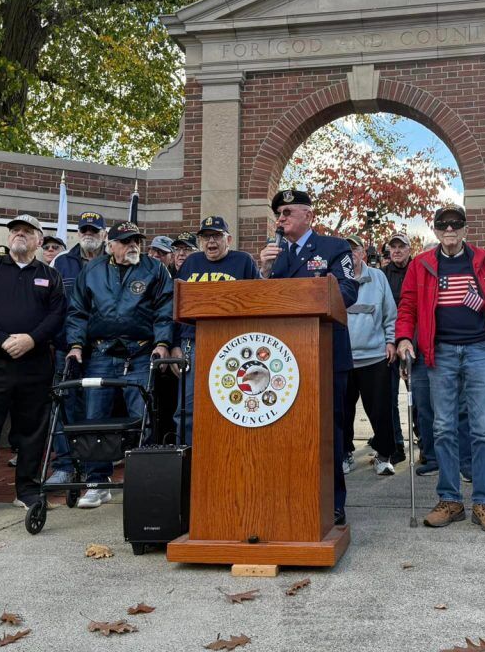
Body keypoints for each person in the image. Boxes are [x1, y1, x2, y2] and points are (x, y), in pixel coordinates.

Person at [395, 204, 485, 533]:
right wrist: (405, 338)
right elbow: (407, 305)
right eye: (443, 225)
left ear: (465, 228)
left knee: (482, 429)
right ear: (435, 230)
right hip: (441, 353)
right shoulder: (422, 264)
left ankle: (484, 502)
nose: (449, 230)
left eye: (456, 224)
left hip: (480, 350)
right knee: (443, 428)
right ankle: (450, 500)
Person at [258, 190, 358, 526]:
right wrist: (265, 271)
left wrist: (305, 300)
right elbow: (263, 302)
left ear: (308, 216)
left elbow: (347, 290)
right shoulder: (277, 255)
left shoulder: (333, 247)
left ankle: (331, 500)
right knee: (285, 428)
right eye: (278, 214)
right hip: (285, 357)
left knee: (328, 428)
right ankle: (288, 495)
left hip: (325, 350)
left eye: (287, 212)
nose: (280, 218)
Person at [0, 214, 66, 520]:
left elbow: (57, 315)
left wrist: (31, 339)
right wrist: (3, 339)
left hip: (34, 364)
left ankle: (28, 490)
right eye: (15, 230)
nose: (20, 234)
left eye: (27, 231)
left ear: (39, 240)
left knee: (33, 431)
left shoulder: (50, 275)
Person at [65, 221, 174, 508]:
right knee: (95, 418)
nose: (133, 246)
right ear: (110, 245)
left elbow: (165, 309)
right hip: (101, 353)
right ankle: (97, 482)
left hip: (140, 353)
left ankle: (144, 481)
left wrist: (162, 343)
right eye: (125, 241)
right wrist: (75, 346)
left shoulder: (154, 269)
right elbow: (77, 311)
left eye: (136, 240)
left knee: (143, 418)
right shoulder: (92, 270)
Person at [173, 215, 260, 444]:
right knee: (187, 408)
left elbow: (260, 300)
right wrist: (174, 345)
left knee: (231, 402)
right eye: (205, 237)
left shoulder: (243, 261)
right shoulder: (191, 263)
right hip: (193, 344)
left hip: (232, 345)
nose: (211, 241)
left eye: (216, 236)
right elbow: (176, 306)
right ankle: (188, 461)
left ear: (228, 239)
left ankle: (227, 454)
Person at [44, 211, 107, 486]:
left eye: (94, 230)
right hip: (66, 348)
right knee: (64, 406)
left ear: (104, 234)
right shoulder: (61, 262)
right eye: (85, 230)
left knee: (97, 410)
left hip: (103, 349)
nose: (89, 234)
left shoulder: (112, 260)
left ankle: (95, 472)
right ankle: (65, 465)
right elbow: (52, 305)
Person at [342, 235, 398, 476]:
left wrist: (391, 341)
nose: (350, 254)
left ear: (362, 253)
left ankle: (384, 456)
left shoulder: (378, 277)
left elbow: (390, 314)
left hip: (375, 356)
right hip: (341, 358)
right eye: (346, 250)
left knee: (381, 410)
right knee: (342, 411)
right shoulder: (331, 278)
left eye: (354, 250)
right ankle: (345, 454)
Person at [381, 232, 413, 465]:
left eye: (401, 246)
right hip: (392, 342)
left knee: (419, 398)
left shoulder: (419, 269)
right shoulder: (382, 275)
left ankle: (427, 447)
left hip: (415, 340)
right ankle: (396, 446)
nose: (397, 251)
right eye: (393, 247)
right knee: (390, 398)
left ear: (410, 249)